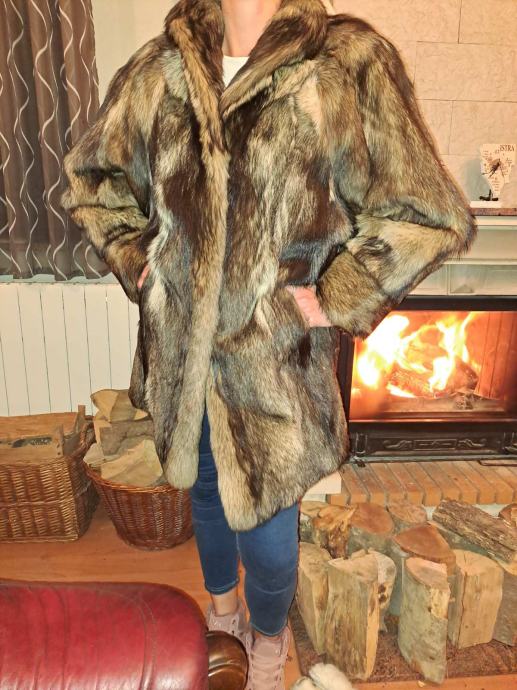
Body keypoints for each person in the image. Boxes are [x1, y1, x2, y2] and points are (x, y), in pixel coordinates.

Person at [61, 1, 476, 688]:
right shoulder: (160, 69)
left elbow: (426, 213)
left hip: (273, 363)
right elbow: (93, 182)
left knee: (272, 538)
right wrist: (141, 264)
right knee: (203, 489)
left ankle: (269, 632)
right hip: (184, 356)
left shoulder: (343, 63)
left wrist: (333, 296)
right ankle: (222, 614)